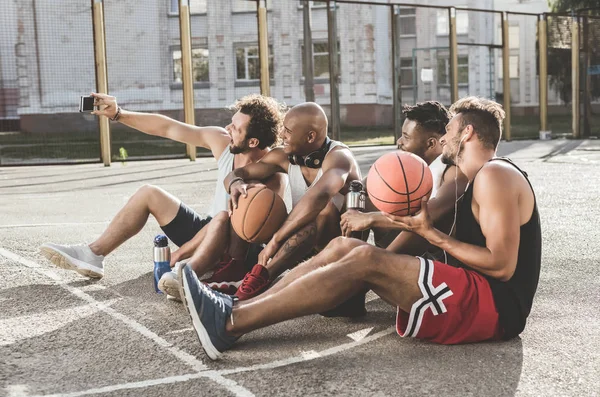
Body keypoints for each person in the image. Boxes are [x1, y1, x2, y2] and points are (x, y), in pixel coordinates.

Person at [177, 96, 542, 360]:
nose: (443, 138)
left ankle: (229, 323)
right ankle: (242, 302)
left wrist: (432, 234)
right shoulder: (472, 177)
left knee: (364, 259)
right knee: (343, 248)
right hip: (471, 291)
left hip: (494, 307)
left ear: (467, 134)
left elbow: (502, 265)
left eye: (448, 130)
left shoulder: (495, 174)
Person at [40, 92, 286, 297]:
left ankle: (193, 274)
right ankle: (93, 254)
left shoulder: (273, 173)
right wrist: (118, 114)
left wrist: (181, 252)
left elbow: (244, 227)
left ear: (253, 142)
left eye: (235, 127)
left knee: (223, 218)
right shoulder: (223, 143)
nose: (227, 128)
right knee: (150, 193)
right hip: (207, 230)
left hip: (239, 248)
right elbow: (168, 127)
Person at [169, 102, 361, 303]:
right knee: (251, 192)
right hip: (302, 245)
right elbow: (238, 173)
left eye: (287, 131)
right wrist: (236, 183)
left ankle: (261, 278)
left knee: (325, 210)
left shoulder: (339, 158)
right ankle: (235, 269)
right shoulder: (284, 156)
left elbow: (319, 197)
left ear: (310, 137)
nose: (281, 135)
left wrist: (275, 241)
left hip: (337, 252)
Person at [340, 101, 468, 252]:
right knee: (359, 195)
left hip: (430, 251)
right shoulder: (410, 166)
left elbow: (427, 219)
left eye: (406, 137)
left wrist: (370, 218)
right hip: (405, 235)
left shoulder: (452, 171)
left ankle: (376, 261)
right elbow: (360, 187)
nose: (399, 141)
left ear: (431, 143)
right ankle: (348, 250)